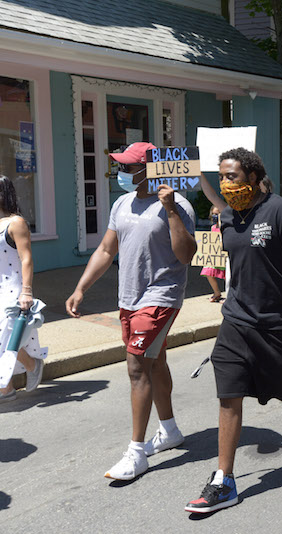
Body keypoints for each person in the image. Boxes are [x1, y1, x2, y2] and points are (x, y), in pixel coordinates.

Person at [186, 148, 282, 513]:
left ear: (253, 177)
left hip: (276, 322)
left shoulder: (280, 210)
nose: (225, 183)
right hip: (236, 320)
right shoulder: (228, 216)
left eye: (231, 176)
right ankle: (224, 480)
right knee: (229, 394)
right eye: (221, 177)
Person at [66, 142, 197, 480]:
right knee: (156, 362)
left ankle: (136, 453)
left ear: (150, 169)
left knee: (137, 367)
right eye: (120, 166)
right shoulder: (122, 203)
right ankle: (169, 430)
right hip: (128, 298)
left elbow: (186, 255)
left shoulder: (179, 205)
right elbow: (106, 249)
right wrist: (81, 288)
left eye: (127, 167)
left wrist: (170, 210)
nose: (121, 173)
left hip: (161, 297)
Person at [0, 176, 46, 403]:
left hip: (11, 289)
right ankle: (7, 388)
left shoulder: (15, 223)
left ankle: (31, 366)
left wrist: (26, 291)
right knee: (5, 339)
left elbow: (26, 258)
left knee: (7, 338)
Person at [201, 206, 225, 302]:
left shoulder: (226, 226)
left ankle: (230, 296)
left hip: (224, 255)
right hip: (215, 255)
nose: (215, 216)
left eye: (217, 214)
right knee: (208, 272)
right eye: (214, 214)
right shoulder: (213, 227)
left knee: (227, 276)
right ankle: (217, 292)